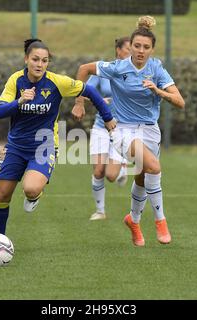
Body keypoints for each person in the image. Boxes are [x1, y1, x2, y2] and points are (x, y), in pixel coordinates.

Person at [72, 16, 185, 246]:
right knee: (154, 166)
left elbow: (179, 101)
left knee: (143, 177)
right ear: (129, 47)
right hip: (122, 130)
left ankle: (133, 220)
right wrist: (79, 102)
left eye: (146, 47)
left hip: (150, 131)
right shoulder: (117, 67)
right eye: (136, 46)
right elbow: (84, 69)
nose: (141, 51)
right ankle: (160, 221)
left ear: (152, 49)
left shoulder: (157, 69)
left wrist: (158, 91)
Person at [0, 38, 116, 235]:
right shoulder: (15, 80)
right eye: (35, 59)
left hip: (43, 146)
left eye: (44, 60)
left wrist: (108, 119)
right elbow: (0, 112)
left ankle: (34, 196)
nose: (39, 64)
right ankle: (0, 240)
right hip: (16, 146)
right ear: (26, 60)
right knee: (2, 195)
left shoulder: (57, 82)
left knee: (30, 189)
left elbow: (89, 90)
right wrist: (20, 101)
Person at [76, 37, 131, 221]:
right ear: (118, 50)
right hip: (101, 126)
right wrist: (97, 101)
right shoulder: (106, 70)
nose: (133, 53)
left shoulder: (137, 72)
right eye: (129, 49)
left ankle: (123, 168)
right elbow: (84, 90)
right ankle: (100, 211)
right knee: (98, 170)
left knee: (110, 176)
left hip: (123, 129)